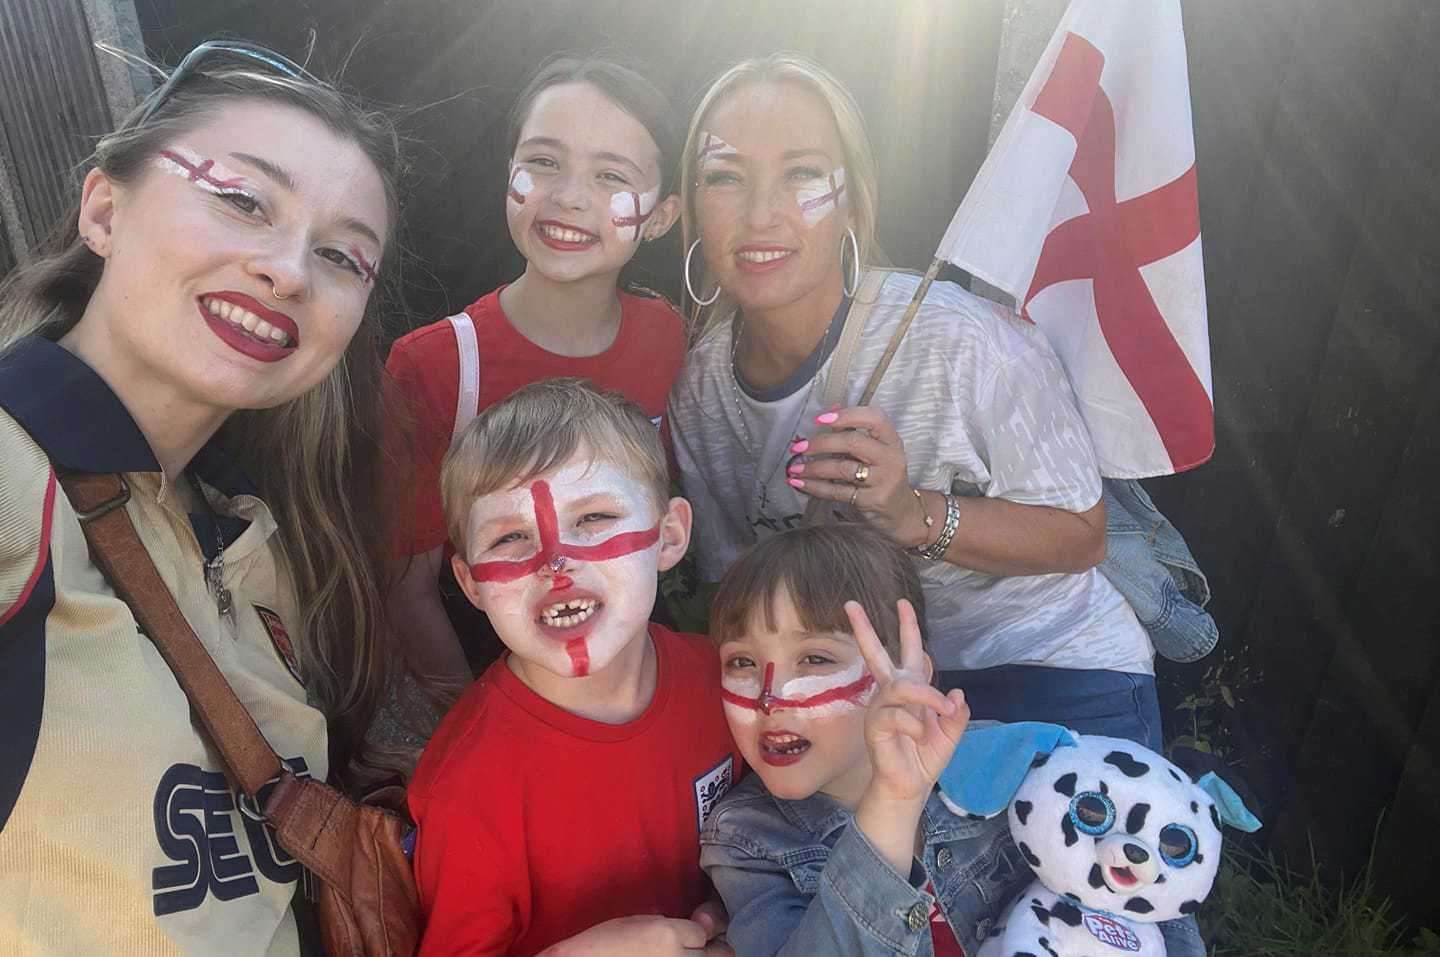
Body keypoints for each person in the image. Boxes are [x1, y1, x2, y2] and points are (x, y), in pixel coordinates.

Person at [0, 42, 404, 954]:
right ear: (104, 209)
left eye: (343, 255)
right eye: (242, 199)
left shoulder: (257, 534)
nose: (290, 270)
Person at [667, 53, 1162, 752]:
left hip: (1048, 669)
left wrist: (913, 514)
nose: (761, 214)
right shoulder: (701, 394)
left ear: (853, 202)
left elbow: (1083, 535)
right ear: (691, 205)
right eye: (725, 177)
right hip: (868, 689)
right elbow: (733, 591)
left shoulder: (961, 341)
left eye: (803, 173)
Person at [407, 379, 740, 956]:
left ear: (669, 537)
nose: (555, 562)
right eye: (511, 536)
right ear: (471, 585)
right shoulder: (468, 787)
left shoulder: (725, 681)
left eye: (594, 517)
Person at [384, 56, 685, 685]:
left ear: (660, 216)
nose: (569, 196)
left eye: (610, 175)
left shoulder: (668, 336)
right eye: (544, 161)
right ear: (509, 172)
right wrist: (477, 725)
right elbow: (406, 591)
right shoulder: (433, 364)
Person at [700, 524, 1028, 956]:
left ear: (911, 675)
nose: (770, 698)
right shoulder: (748, 838)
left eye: (815, 658)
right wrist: (894, 801)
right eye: (742, 661)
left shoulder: (1008, 765)